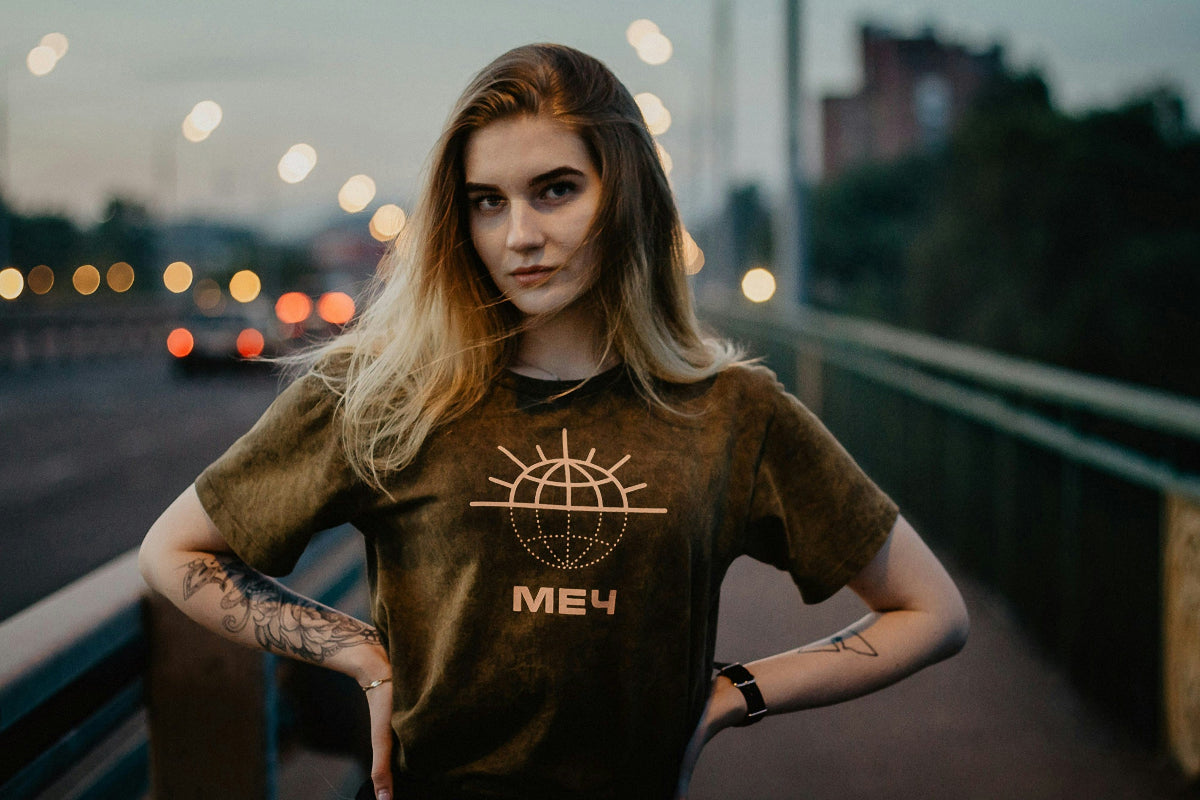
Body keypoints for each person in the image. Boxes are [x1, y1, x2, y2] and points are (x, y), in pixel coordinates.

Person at [139, 42, 968, 800]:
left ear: (626, 193)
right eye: (486, 202)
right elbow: (172, 549)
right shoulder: (384, 393)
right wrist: (356, 652)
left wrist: (733, 694)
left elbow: (932, 612)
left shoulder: (730, 413)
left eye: (557, 190)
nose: (520, 236)